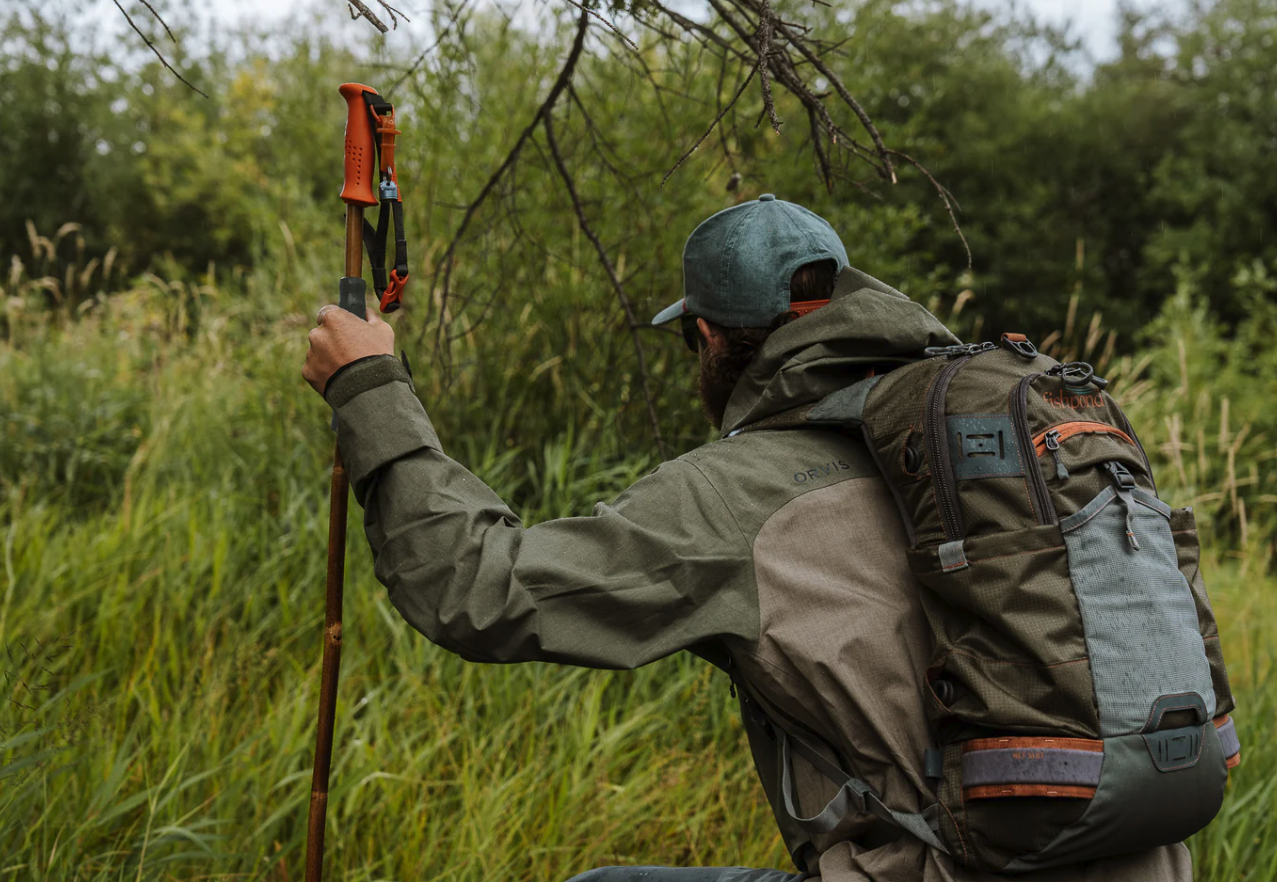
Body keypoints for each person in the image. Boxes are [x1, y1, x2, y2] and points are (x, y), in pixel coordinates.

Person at [302, 195, 1193, 881]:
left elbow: (476, 588)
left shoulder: (735, 496)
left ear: (706, 337)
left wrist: (369, 385)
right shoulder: (1004, 450)